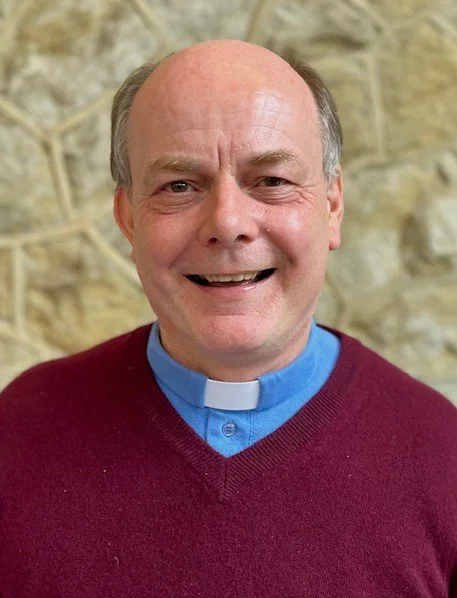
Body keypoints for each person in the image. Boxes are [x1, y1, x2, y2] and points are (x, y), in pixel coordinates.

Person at [1, 40, 456, 597]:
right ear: (128, 220)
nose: (228, 223)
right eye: (179, 186)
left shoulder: (443, 458)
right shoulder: (18, 433)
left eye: (272, 180)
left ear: (332, 206)